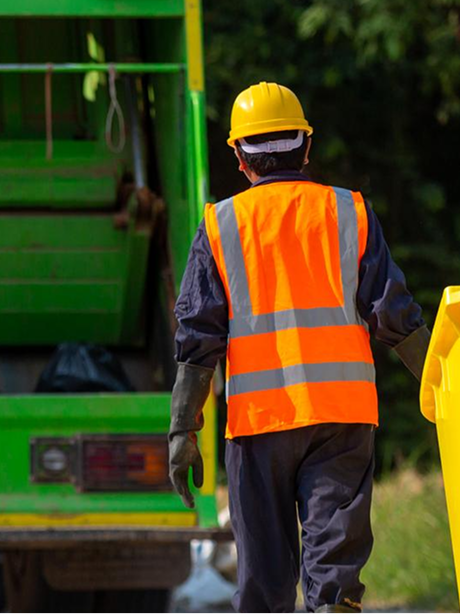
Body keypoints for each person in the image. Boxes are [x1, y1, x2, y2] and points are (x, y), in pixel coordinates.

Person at [167, 82, 431, 614]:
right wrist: (443, 387)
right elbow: (395, 315)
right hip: (342, 418)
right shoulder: (349, 212)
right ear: (306, 147)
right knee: (334, 576)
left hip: (258, 424)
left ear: (240, 157)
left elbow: (198, 338)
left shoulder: (220, 225)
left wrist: (182, 429)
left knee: (264, 582)